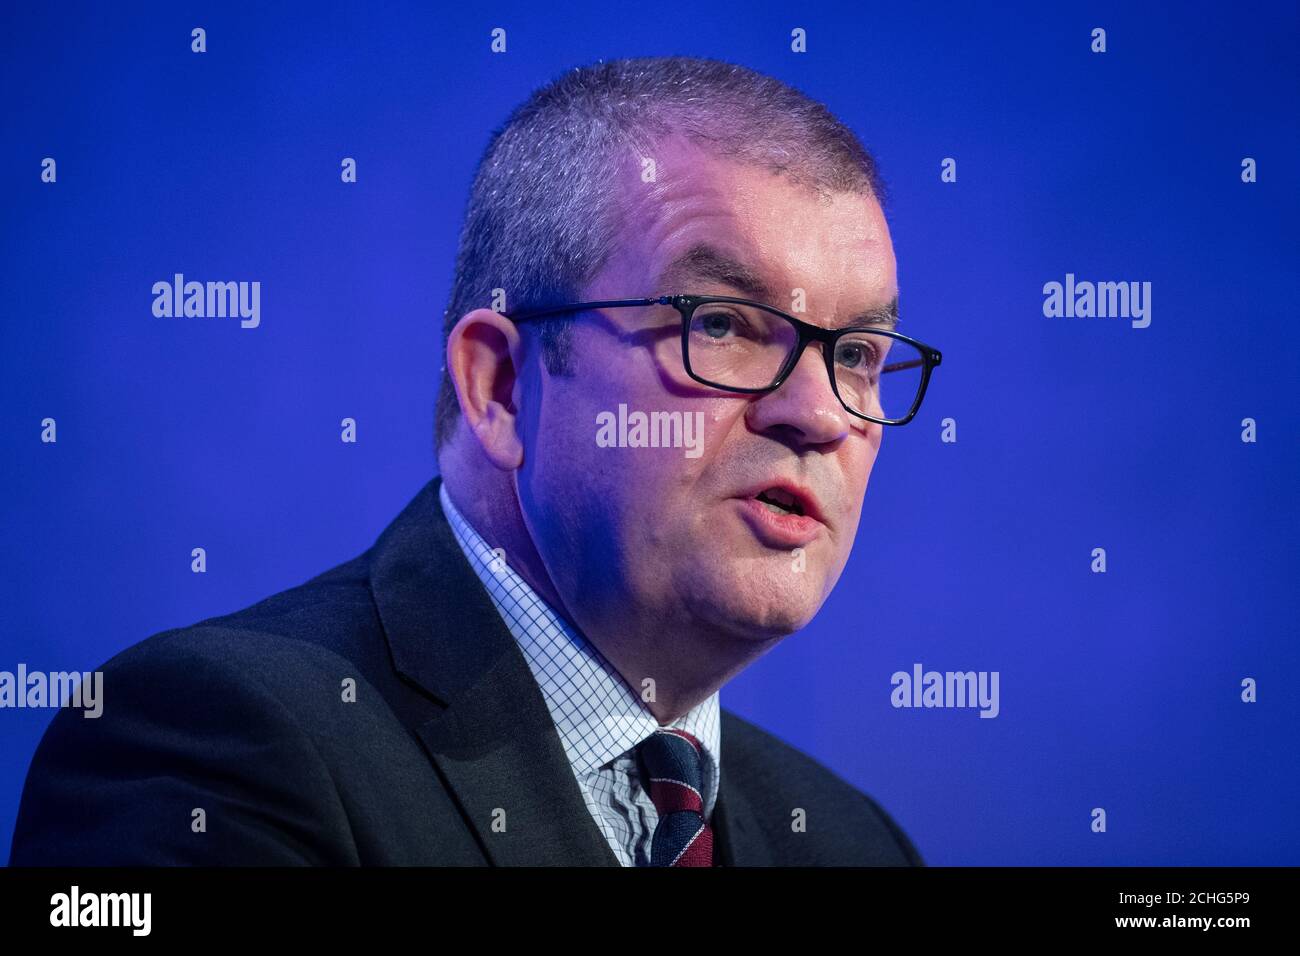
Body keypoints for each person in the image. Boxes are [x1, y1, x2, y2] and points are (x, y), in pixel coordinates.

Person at [11, 55, 939, 866]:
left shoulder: (855, 842)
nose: (820, 412)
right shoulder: (217, 746)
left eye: (857, 351)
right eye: (725, 324)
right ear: (500, 386)